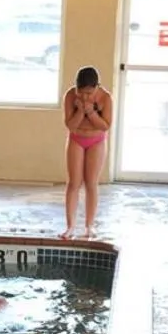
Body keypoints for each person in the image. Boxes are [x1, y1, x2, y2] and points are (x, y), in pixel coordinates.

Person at [61, 66, 113, 240]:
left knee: (91, 182)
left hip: (96, 141)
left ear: (97, 87)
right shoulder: (70, 96)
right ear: (76, 87)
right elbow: (70, 125)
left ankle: (89, 225)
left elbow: (105, 125)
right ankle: (70, 226)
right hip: (76, 139)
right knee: (74, 183)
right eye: (81, 92)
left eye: (89, 93)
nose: (84, 97)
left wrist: (90, 112)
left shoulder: (106, 98)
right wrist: (81, 111)